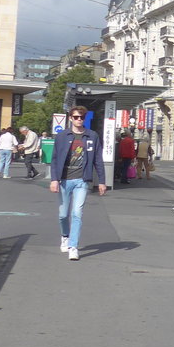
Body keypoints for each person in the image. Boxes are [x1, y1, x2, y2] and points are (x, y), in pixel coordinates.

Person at [49, 108, 107, 261]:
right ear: (70, 118)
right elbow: (54, 159)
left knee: (77, 213)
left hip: (82, 180)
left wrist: (102, 181)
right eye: (76, 117)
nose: (79, 120)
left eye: (81, 117)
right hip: (64, 180)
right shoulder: (62, 136)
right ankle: (65, 236)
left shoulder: (92, 136)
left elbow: (98, 160)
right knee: (63, 215)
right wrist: (54, 179)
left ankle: (73, 246)